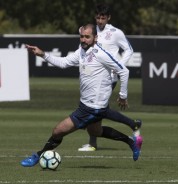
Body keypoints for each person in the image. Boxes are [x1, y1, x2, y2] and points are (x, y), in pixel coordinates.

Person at [20, 24, 143, 167]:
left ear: (95, 38)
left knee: (58, 131)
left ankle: (37, 156)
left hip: (92, 108)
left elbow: (124, 71)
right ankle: (131, 141)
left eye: (87, 37)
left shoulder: (100, 54)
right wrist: (43, 54)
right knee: (95, 131)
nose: (83, 39)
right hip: (87, 104)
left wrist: (123, 95)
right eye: (82, 36)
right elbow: (64, 62)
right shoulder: (81, 52)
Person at [78, 3, 134, 151]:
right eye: (98, 17)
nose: (100, 21)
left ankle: (92, 142)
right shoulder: (91, 31)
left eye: (103, 18)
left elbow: (129, 50)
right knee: (96, 108)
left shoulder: (116, 33)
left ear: (108, 18)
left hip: (110, 77)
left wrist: (118, 66)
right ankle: (132, 124)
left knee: (96, 107)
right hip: (95, 75)